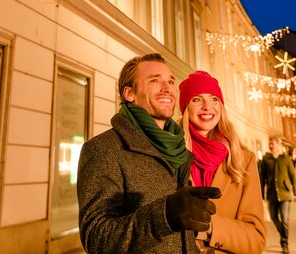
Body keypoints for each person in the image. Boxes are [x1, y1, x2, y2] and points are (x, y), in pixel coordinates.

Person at [77, 53, 221, 253]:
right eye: (155, 80)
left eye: (170, 81)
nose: (168, 88)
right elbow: (96, 238)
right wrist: (165, 214)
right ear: (129, 94)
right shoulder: (104, 149)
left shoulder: (177, 147)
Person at [178, 70, 266, 254]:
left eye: (214, 99)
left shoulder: (242, 159)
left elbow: (257, 239)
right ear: (186, 108)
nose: (207, 106)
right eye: (197, 99)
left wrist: (209, 227)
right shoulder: (170, 154)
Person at [260, 137, 296, 254]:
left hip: (285, 193)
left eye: (272, 144)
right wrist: (261, 193)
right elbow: (262, 178)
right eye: (269, 144)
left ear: (278, 145)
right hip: (272, 194)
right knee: (273, 217)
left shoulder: (286, 159)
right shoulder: (266, 159)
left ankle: (284, 243)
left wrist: (295, 193)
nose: (270, 146)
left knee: (285, 219)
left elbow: (293, 176)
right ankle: (284, 233)